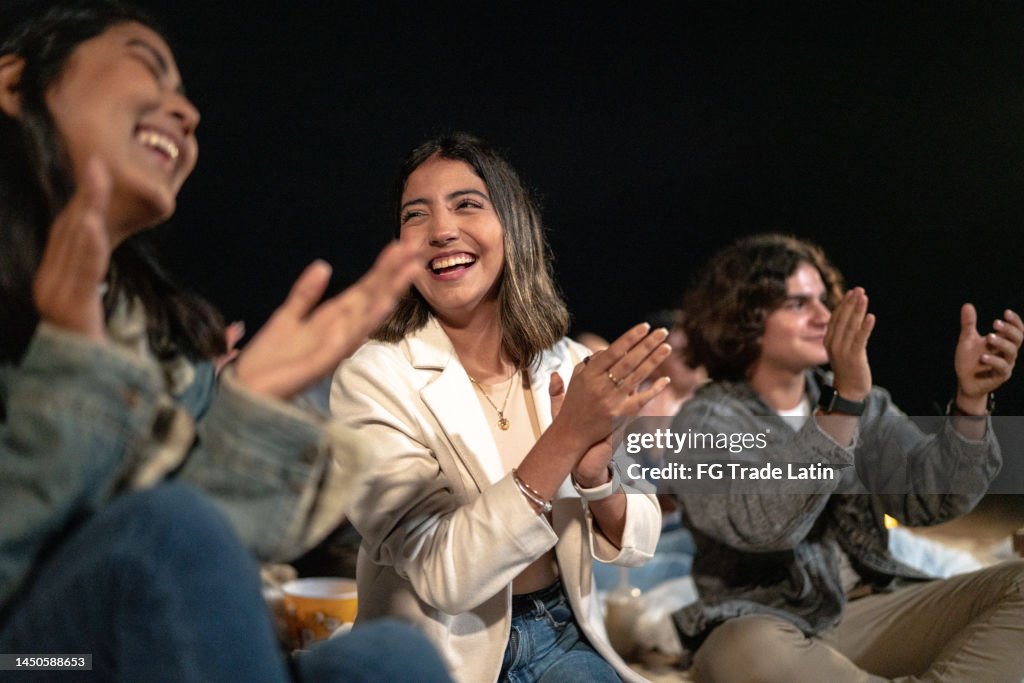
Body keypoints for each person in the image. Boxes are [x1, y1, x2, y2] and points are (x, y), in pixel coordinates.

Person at [0, 2, 449, 680]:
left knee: (389, 657)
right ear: (13, 84)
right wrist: (73, 366)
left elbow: (164, 574)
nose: (186, 112)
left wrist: (246, 414)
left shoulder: (144, 330)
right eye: (149, 68)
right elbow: (150, 546)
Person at [330, 132, 668, 683]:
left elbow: (641, 537)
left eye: (467, 204)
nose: (441, 231)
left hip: (561, 633)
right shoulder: (372, 378)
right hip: (433, 653)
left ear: (515, 226)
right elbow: (446, 578)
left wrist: (596, 477)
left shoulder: (570, 362)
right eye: (416, 216)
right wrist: (564, 440)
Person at [664, 233, 1024, 682]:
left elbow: (931, 500)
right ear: (743, 320)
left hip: (877, 613)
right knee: (744, 650)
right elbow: (761, 525)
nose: (823, 317)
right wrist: (843, 406)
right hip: (773, 627)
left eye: (823, 301)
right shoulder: (703, 421)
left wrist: (971, 403)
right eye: (797, 304)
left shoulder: (864, 402)